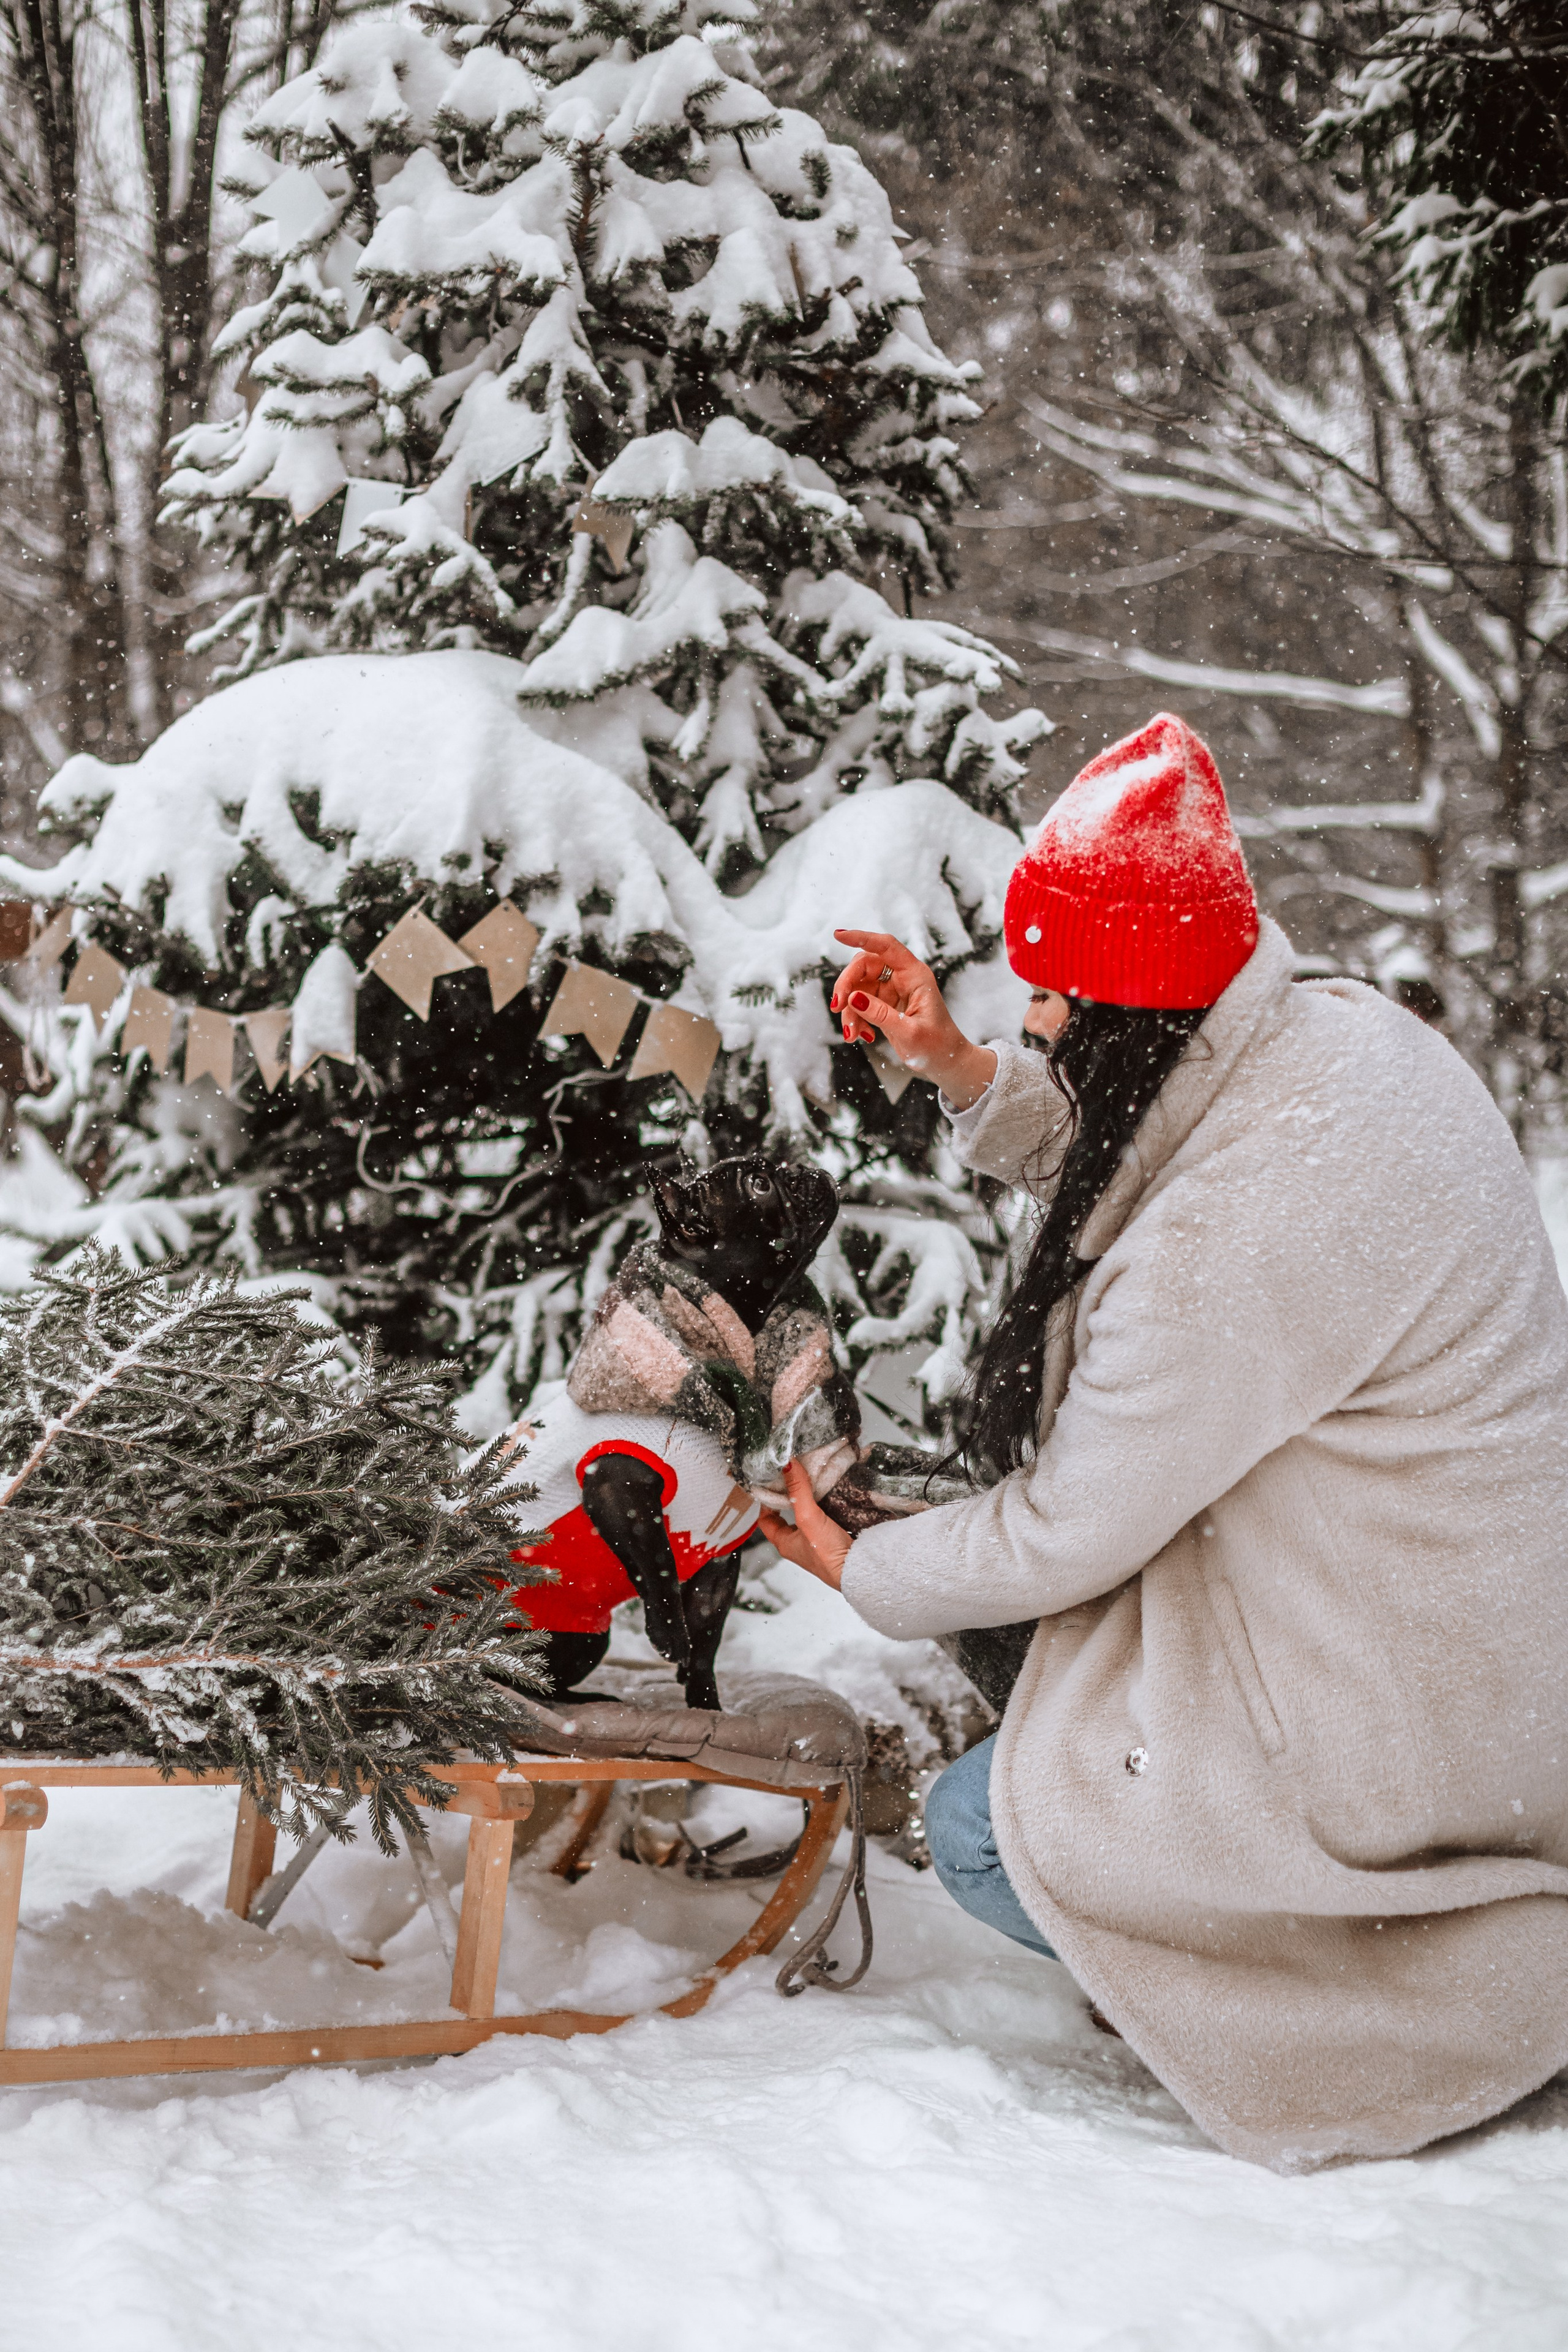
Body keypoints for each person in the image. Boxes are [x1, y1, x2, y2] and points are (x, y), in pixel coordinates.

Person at [758, 712, 1568, 2173]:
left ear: (1143, 1009)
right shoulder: (1327, 1047)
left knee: (988, 1831)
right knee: (1051, 1709)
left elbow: (1070, 1525)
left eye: (1061, 1001)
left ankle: (1371, 1992)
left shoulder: (1239, 1230)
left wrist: (857, 1559)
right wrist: (955, 1065)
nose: (1043, 1023)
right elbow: (1132, 1148)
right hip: (1467, 1647)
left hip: (1399, 1717)